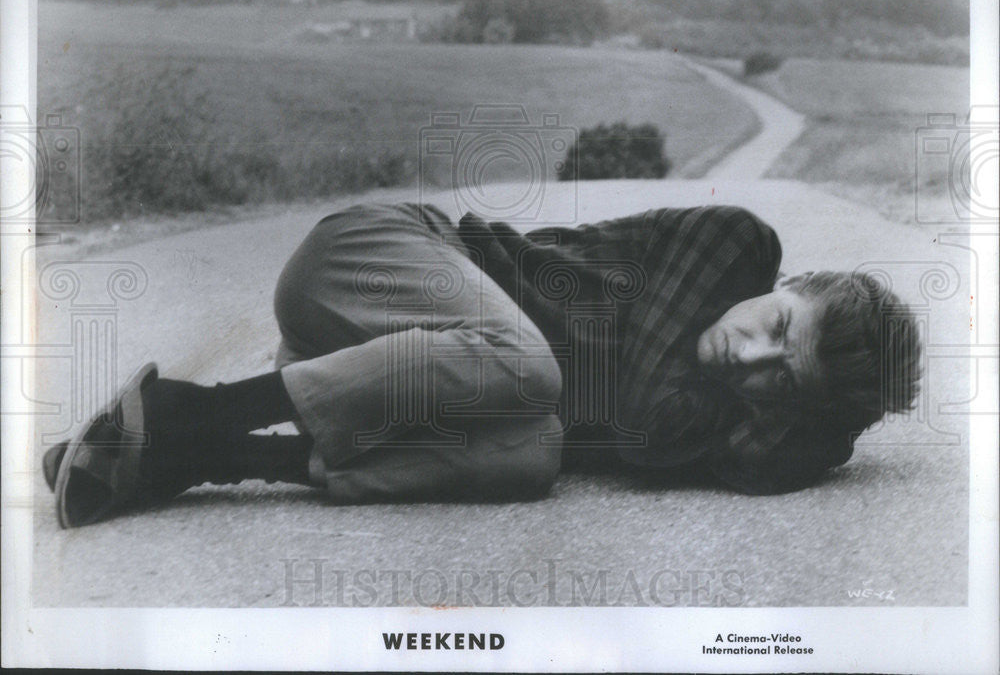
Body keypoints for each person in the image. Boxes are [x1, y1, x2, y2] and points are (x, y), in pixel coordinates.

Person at [44, 202, 922, 528]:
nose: (752, 353)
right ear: (789, 281)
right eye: (776, 323)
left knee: (536, 453)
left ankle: (192, 458)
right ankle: (198, 411)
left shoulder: (740, 410)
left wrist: (829, 422)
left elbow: (756, 461)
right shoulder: (736, 243)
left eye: (781, 376)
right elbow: (653, 430)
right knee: (537, 375)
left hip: (364, 365)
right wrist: (795, 405)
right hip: (375, 258)